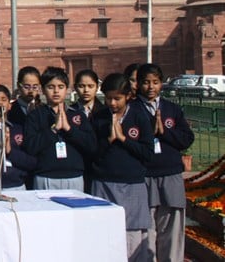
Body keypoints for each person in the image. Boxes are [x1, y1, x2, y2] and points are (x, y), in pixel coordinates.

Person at [132, 63, 194, 262]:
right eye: (146, 82)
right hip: (144, 176)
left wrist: (164, 132)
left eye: (155, 82)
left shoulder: (171, 109)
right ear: (138, 84)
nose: (151, 87)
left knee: (172, 229)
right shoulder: (132, 110)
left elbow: (186, 138)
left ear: (161, 84)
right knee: (146, 230)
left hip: (170, 175)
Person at [92, 73, 154, 262]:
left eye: (117, 98)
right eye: (108, 98)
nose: (112, 103)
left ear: (128, 96)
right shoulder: (99, 117)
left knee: (132, 236)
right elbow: (92, 152)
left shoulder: (140, 116)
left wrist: (124, 139)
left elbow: (147, 153)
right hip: (104, 183)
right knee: (105, 233)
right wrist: (109, 140)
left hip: (131, 184)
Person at [23, 66, 97, 191]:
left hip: (74, 176)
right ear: (43, 90)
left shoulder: (77, 114)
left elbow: (91, 146)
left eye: (61, 87)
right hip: (45, 176)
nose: (56, 91)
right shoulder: (35, 115)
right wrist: (53, 130)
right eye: (51, 87)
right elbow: (30, 147)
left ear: (67, 89)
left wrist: (69, 129)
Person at [71, 68, 105, 192]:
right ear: (75, 87)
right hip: (77, 164)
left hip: (98, 167)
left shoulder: (104, 112)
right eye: (81, 86)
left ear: (97, 87)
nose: (86, 90)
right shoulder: (69, 111)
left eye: (90, 86)